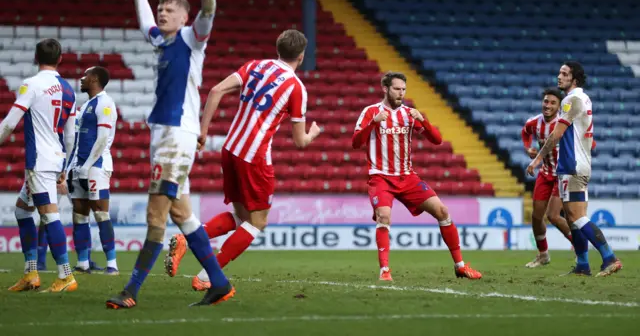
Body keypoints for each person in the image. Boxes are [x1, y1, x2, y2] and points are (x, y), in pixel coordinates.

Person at [106, 0, 233, 309]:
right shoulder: (161, 40)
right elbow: (145, 18)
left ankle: (131, 291)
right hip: (162, 135)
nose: (162, 13)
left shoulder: (193, 40)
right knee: (182, 214)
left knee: (155, 213)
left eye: (170, 10)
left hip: (178, 136)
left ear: (185, 17)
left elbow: (209, 7)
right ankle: (220, 283)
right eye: (161, 9)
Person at [164, 29, 320, 291]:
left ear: (278, 49)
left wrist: (202, 132)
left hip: (230, 148)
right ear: (301, 56)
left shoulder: (255, 66)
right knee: (258, 221)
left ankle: (186, 238)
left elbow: (215, 91)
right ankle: (206, 277)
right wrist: (313, 133)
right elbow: (299, 141)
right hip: (254, 156)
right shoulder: (296, 87)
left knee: (242, 216)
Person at [352, 72, 482, 281]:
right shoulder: (371, 112)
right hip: (381, 177)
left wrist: (424, 120)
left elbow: (437, 140)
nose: (401, 93)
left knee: (442, 211)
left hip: (407, 177)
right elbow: (356, 142)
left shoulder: (409, 114)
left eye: (403, 89)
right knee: (384, 217)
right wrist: (373, 123)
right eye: (397, 89)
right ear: (385, 89)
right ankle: (385, 271)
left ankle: (460, 265)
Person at [527, 61, 622, 277]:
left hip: (572, 165)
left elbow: (557, 134)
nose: (559, 77)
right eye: (559, 72)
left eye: (564, 74)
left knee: (576, 216)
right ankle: (582, 265)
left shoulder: (572, 99)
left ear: (574, 79)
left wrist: (537, 160)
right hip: (579, 164)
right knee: (571, 218)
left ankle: (610, 257)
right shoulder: (583, 98)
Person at [1, 38, 78, 292]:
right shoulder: (68, 89)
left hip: (39, 162)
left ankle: (66, 275)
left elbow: (11, 122)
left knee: (49, 214)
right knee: (23, 210)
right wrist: (64, 167)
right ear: (60, 59)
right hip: (55, 158)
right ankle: (31, 273)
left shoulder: (31, 85)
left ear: (36, 58)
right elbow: (70, 135)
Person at [70, 66, 119, 275]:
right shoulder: (86, 105)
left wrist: (88, 166)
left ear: (95, 79)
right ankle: (83, 263)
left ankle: (112, 264)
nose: (81, 79)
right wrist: (73, 167)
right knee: (79, 215)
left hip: (96, 167)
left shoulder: (105, 103)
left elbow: (101, 139)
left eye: (85, 76)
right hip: (78, 166)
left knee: (100, 213)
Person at [521, 88, 573, 267]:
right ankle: (543, 255)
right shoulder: (534, 122)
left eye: (552, 103)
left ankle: (579, 246)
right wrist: (528, 149)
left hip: (562, 174)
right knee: (536, 217)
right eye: (545, 101)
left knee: (553, 216)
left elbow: (589, 142)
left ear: (559, 106)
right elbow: (525, 133)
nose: (547, 105)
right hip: (545, 173)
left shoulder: (564, 124)